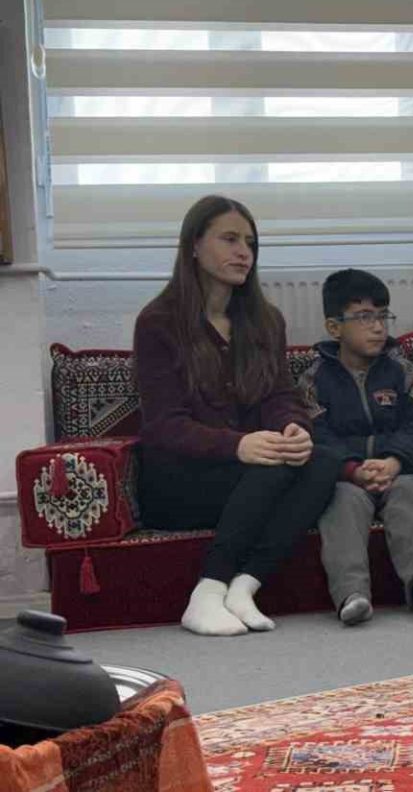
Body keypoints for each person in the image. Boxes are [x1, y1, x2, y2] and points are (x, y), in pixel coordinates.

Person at [134, 195, 341, 636]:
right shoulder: (157, 322)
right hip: (180, 481)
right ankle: (207, 592)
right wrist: (238, 445)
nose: (243, 252)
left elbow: (280, 394)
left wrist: (293, 428)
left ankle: (244, 586)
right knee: (270, 466)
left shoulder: (265, 320)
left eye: (250, 243)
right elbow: (163, 425)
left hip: (249, 474)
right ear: (194, 245)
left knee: (323, 459)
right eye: (229, 239)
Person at [301, 269, 413, 625]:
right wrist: (353, 469)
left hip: (402, 470)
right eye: (365, 317)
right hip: (347, 476)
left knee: (409, 493)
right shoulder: (313, 379)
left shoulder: (404, 370)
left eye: (382, 316)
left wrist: (394, 461)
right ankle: (351, 593)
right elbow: (316, 434)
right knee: (341, 501)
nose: (378, 327)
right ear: (334, 327)